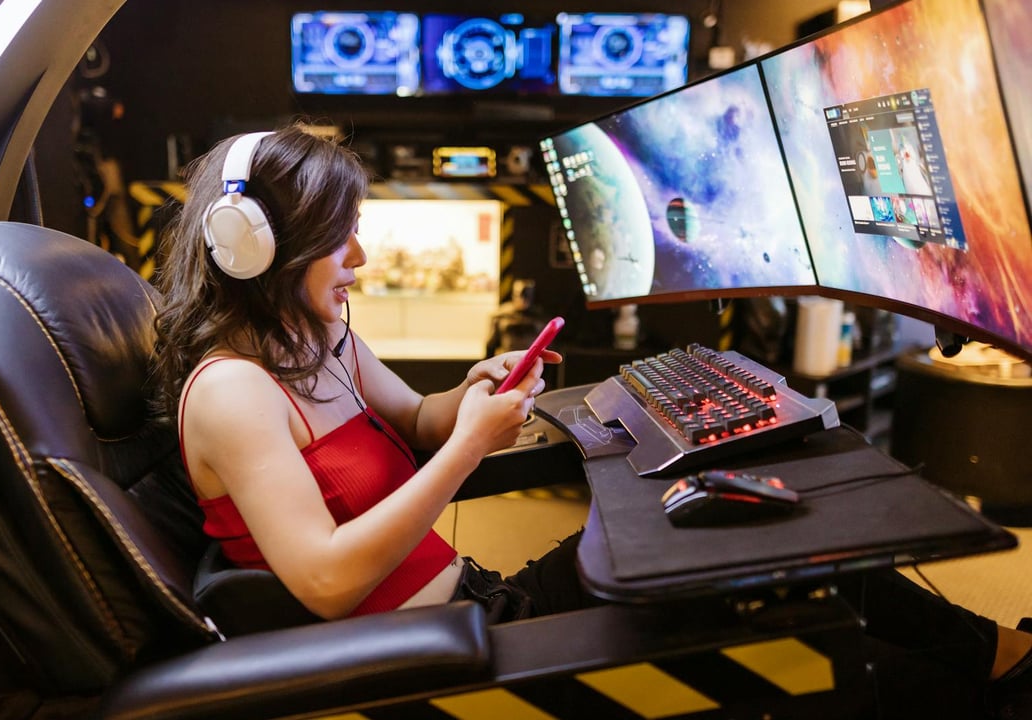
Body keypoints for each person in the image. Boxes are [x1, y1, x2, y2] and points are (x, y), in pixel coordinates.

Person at [151, 124, 1032, 717]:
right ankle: (996, 674)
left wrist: (472, 393)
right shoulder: (234, 394)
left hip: (480, 601)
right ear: (256, 248)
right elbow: (326, 582)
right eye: (339, 239)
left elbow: (418, 418)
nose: (362, 258)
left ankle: (998, 658)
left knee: (761, 547)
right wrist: (467, 448)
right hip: (447, 646)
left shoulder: (319, 336)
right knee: (782, 602)